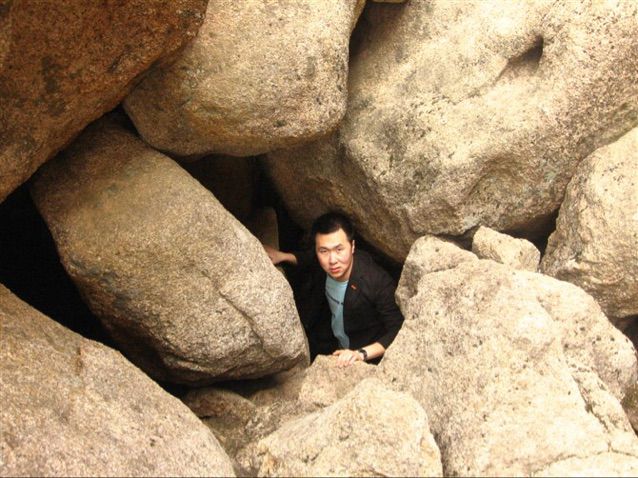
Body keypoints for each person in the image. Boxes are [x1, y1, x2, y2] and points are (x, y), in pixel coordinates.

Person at [264, 212, 404, 367]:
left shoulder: (376, 281)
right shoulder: (323, 263)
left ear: (352, 247)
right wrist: (284, 256)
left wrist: (360, 354)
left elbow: (397, 329)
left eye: (339, 250)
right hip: (331, 339)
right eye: (324, 251)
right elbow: (309, 258)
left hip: (363, 356)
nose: (332, 260)